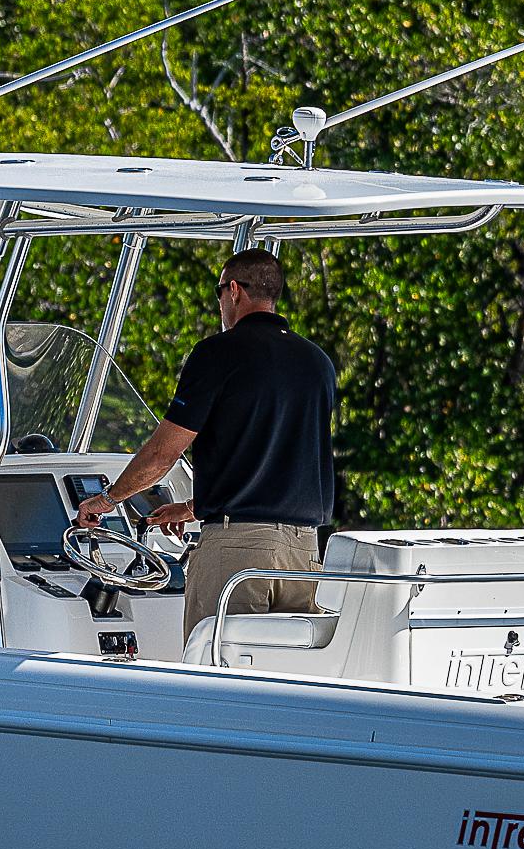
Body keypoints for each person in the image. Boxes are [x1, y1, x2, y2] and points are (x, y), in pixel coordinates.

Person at [71, 247, 337, 643]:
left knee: (217, 679)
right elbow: (282, 457)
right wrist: (196, 508)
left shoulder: (218, 353)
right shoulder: (318, 362)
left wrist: (107, 500)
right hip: (303, 555)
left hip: (237, 554)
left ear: (233, 290)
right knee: (284, 678)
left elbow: (164, 452)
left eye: (218, 294)